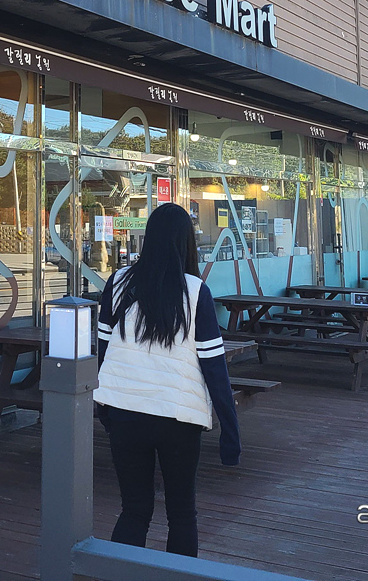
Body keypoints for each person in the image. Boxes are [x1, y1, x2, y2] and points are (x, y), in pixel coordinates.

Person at [94, 202, 240, 557]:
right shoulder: (195, 291)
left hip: (125, 411)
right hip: (179, 417)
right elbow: (215, 370)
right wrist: (230, 433)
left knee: (134, 509)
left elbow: (103, 351)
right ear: (186, 242)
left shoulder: (118, 282)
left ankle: (121, 572)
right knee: (182, 514)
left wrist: (104, 409)